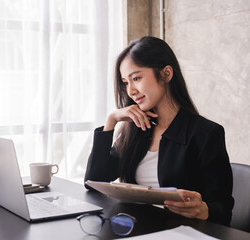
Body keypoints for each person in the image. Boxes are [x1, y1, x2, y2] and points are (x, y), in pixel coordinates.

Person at [84, 36, 234, 226]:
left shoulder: (206, 133)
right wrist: (111, 120)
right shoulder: (136, 129)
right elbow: (93, 181)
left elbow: (223, 210)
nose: (131, 91)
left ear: (166, 74)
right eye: (125, 82)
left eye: (136, 78)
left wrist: (204, 210)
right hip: (138, 228)